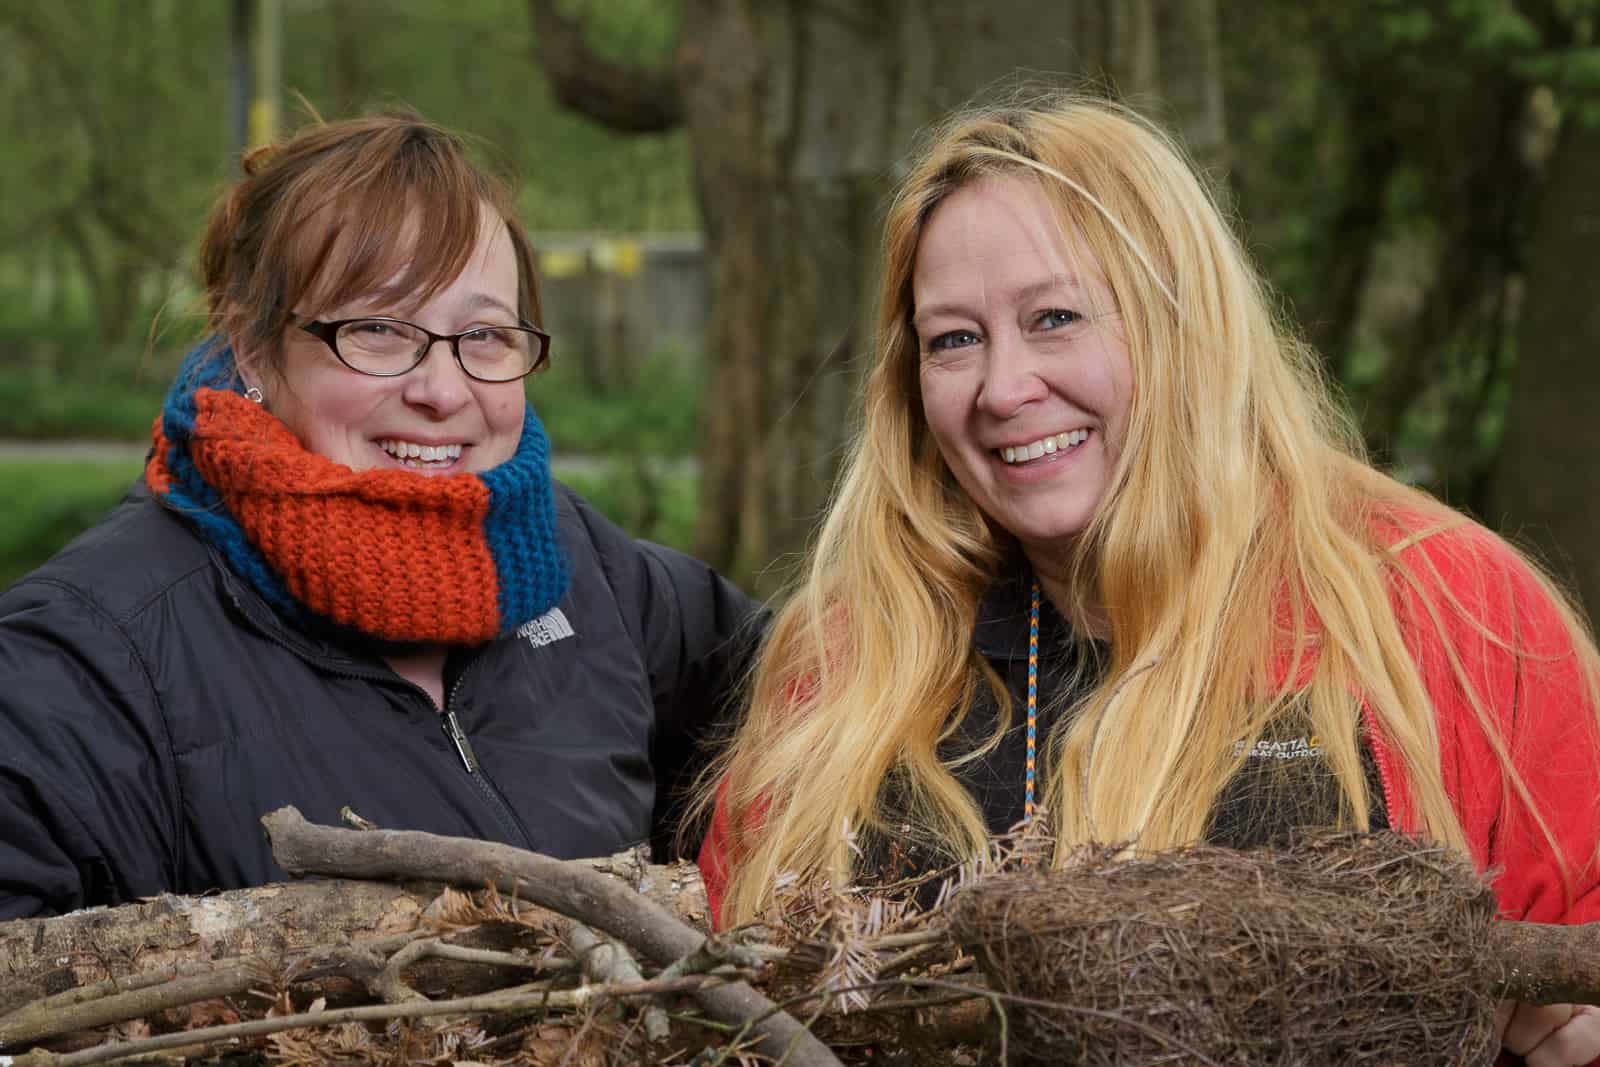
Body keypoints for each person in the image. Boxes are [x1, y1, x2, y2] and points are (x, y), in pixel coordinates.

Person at [698, 97, 1600, 1063]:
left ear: (1183, 321)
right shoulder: (845, 661)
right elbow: (715, 996)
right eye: (953, 339)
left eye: (1055, 318)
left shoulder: (1441, 605)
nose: (1004, 388)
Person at [0, 112, 761, 920]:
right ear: (253, 350)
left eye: (486, 334)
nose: (442, 389)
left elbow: (847, 711)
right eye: (377, 329)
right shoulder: (83, 663)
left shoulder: (592, 577)